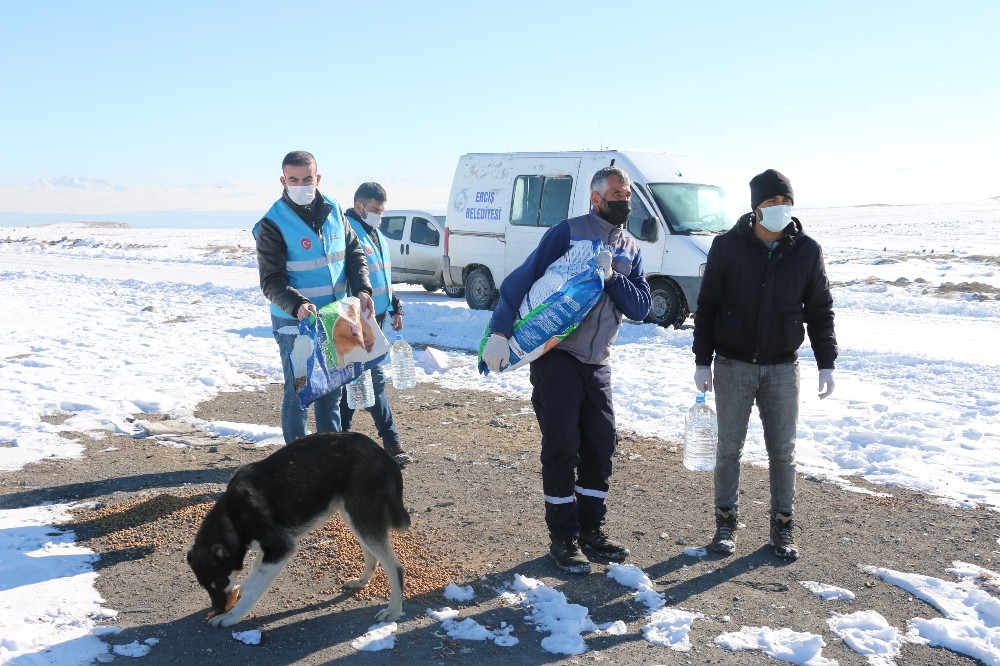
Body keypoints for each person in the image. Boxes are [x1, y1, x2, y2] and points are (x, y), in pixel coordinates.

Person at [481, 166, 651, 574]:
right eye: (615, 195)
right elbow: (522, 279)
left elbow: (641, 307)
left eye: (627, 195)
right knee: (562, 447)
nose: (623, 202)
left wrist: (611, 278)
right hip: (557, 356)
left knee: (601, 443)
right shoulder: (568, 231)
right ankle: (563, 538)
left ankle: (591, 530)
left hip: (598, 362)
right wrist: (500, 332)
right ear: (596, 198)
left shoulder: (630, 246)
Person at [692, 168, 837, 561]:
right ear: (756, 206)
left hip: (782, 369)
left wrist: (827, 361)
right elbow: (706, 308)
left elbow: (820, 310)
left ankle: (782, 527)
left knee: (783, 452)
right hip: (733, 365)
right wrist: (701, 361)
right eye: (772, 202)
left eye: (785, 202)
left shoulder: (807, 250)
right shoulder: (727, 247)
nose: (780, 208)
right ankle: (725, 524)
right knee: (728, 449)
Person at [253, 150, 375, 445]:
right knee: (300, 391)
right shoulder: (273, 223)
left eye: (307, 178)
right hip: (296, 323)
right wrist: (297, 304)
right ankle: (296, 460)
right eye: (293, 179)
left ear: (317, 178)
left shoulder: (334, 209)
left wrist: (362, 288)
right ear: (283, 180)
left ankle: (328, 458)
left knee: (330, 391)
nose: (301, 184)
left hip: (336, 316)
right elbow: (271, 281)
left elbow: (353, 253)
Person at [338, 182, 413, 467]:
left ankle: (339, 440)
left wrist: (395, 306)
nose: (379, 216)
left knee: (357, 380)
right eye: (374, 210)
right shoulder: (347, 234)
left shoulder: (376, 235)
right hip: (355, 320)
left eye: (381, 211)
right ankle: (391, 441)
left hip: (377, 317)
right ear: (359, 206)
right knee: (368, 379)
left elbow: (383, 277)